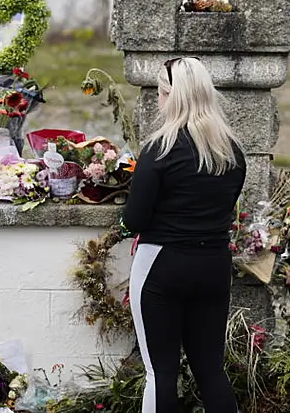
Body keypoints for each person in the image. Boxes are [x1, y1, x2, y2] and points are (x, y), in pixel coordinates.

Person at [123, 57, 246, 412]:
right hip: (213, 265)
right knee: (210, 370)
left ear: (169, 96)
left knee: (159, 372)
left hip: (163, 265)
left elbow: (135, 219)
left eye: (160, 95)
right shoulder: (232, 151)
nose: (158, 102)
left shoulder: (160, 149)